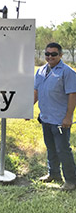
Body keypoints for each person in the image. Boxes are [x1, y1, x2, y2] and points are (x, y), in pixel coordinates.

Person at [34, 42, 76, 191]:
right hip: (45, 118)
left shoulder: (67, 72)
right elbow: (36, 92)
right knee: (50, 148)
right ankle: (54, 174)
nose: (50, 57)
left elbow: (72, 95)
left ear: (60, 55)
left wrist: (68, 117)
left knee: (63, 150)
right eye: (47, 54)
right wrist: (27, 109)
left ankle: (71, 181)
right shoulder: (41, 71)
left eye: (53, 54)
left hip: (60, 120)